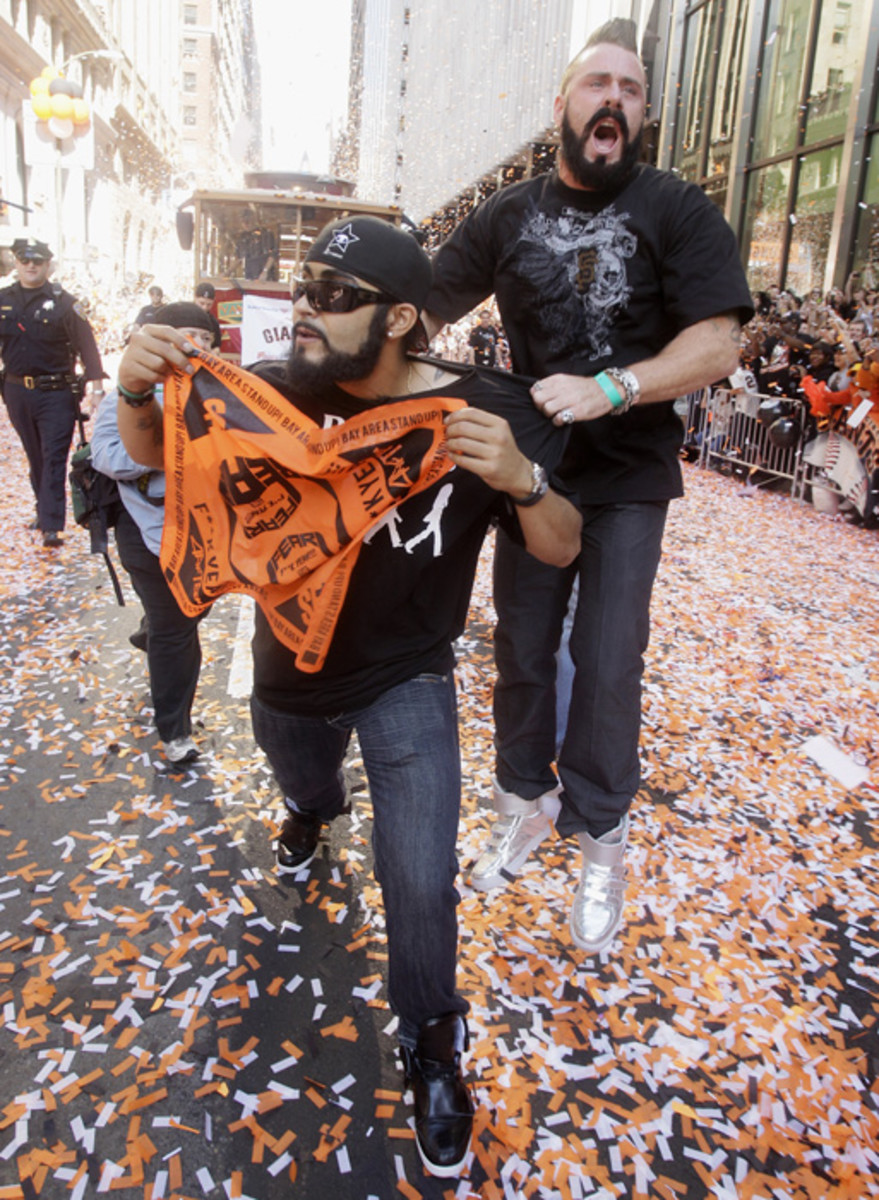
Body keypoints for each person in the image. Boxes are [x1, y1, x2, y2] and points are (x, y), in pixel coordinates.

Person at [114, 216, 581, 1177]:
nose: (306, 313)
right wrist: (132, 379)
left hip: (408, 676)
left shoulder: (485, 410)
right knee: (308, 787)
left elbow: (562, 544)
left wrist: (525, 479)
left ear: (403, 318)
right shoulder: (283, 388)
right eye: (305, 288)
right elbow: (158, 450)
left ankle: (434, 1046)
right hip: (288, 668)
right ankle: (310, 810)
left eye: (335, 296)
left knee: (416, 876)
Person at [425, 18, 754, 956]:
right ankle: (526, 805)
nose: (613, 98)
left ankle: (602, 840)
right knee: (523, 651)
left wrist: (616, 385)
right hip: (534, 474)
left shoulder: (676, 208)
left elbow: (718, 340)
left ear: (640, 115)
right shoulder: (508, 213)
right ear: (563, 104)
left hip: (628, 478)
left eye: (632, 89)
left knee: (608, 663)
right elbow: (425, 301)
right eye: (596, 83)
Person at [91, 303, 217, 766]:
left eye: (207, 339)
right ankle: (175, 730)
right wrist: (162, 451)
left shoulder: (220, 393)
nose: (197, 346)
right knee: (177, 628)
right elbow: (105, 454)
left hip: (205, 532)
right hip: (145, 531)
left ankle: (152, 630)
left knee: (190, 612)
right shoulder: (133, 391)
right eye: (188, 335)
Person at [0, 237, 105, 547]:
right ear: (16, 263)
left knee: (54, 455)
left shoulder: (64, 302)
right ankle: (43, 508)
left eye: (37, 261)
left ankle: (51, 524)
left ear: (48, 265)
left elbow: (88, 346)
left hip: (56, 393)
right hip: (18, 391)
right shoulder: (3, 300)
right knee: (36, 456)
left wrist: (97, 387)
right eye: (24, 260)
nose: (30, 265)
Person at [235, 210, 278, 281]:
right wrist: (226, 273)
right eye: (243, 221)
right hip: (249, 275)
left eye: (248, 221)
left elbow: (272, 255)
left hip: (266, 278)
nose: (246, 224)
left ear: (254, 220)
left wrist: (265, 271)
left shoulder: (266, 234)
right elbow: (239, 257)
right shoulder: (243, 237)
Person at [193, 280, 222, 349]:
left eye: (209, 304)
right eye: (201, 303)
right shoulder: (183, 316)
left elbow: (217, 347)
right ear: (195, 298)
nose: (205, 307)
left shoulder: (213, 322)